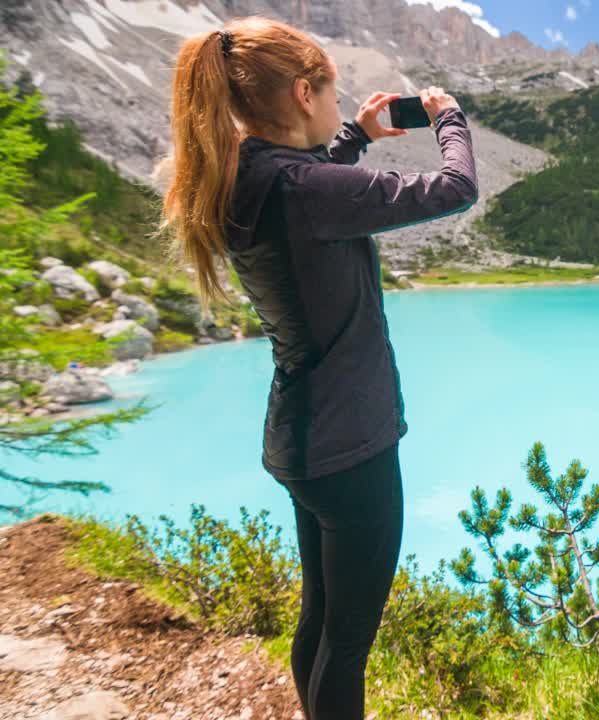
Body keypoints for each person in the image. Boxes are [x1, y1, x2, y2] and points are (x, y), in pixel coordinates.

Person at [158, 15, 478, 720]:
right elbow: (456, 189)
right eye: (333, 97)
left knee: (321, 622)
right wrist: (449, 117)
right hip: (350, 447)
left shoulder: (240, 174)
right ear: (305, 92)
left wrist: (356, 138)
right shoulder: (306, 190)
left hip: (299, 446)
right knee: (350, 639)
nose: (339, 107)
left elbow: (307, 187)